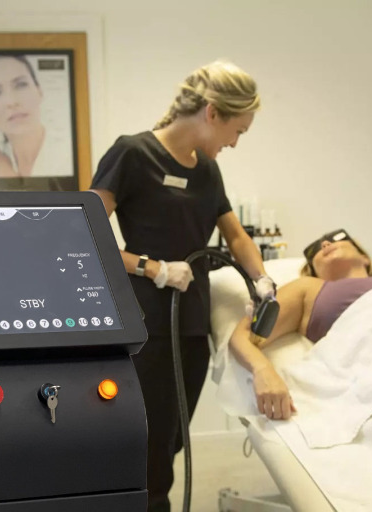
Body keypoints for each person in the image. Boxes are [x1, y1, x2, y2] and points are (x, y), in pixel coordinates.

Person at [90, 60, 275, 512]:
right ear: (212, 113)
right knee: (149, 443)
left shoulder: (207, 170)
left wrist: (262, 279)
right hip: (146, 322)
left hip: (192, 323)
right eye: (237, 131)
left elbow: (235, 235)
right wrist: (152, 268)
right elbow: (85, 234)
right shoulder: (133, 154)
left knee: (171, 438)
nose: (235, 142)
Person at [229, 228, 372, 421]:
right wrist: (263, 370)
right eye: (315, 250)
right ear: (312, 271)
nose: (325, 243)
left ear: (365, 258)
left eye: (338, 239)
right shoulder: (309, 288)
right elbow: (243, 335)